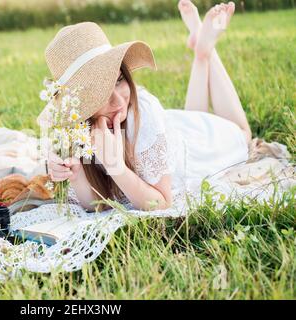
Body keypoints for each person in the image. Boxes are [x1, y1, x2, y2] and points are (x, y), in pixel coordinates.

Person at [38, 1, 252, 212]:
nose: (119, 101)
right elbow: (97, 204)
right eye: (99, 94)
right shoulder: (73, 131)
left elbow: (162, 202)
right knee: (193, 116)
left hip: (193, 148)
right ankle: (201, 50)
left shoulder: (145, 114)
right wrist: (75, 176)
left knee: (244, 135)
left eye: (119, 80)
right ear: (79, 101)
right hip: (175, 130)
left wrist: (117, 168)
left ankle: (205, 52)